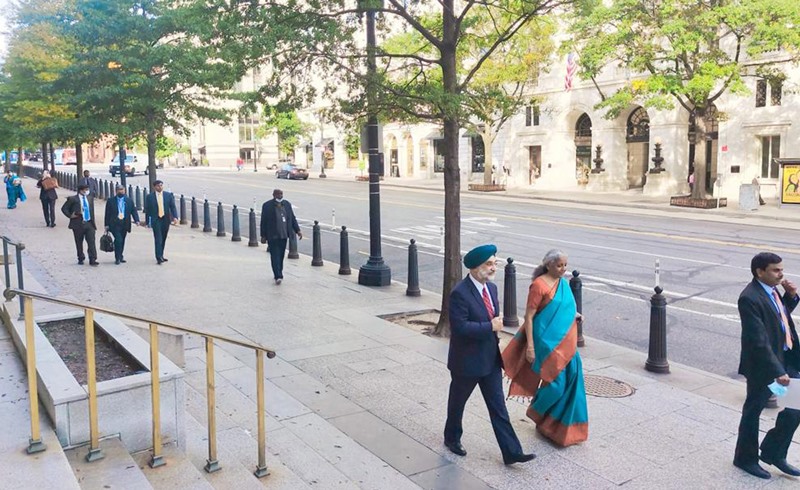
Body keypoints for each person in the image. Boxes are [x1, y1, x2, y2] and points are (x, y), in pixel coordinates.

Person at [443, 244, 535, 465]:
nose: (494, 268)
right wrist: (490, 326)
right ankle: (451, 438)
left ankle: (512, 452)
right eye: (489, 264)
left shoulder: (491, 289)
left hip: (490, 360)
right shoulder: (459, 293)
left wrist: (494, 328)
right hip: (466, 362)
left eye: (495, 263)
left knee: (498, 408)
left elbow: (491, 317)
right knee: (457, 404)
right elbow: (460, 328)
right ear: (476, 267)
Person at [502, 249, 588, 447]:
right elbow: (529, 317)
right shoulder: (539, 285)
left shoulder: (562, 284)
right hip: (546, 342)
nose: (563, 269)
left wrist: (575, 315)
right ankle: (537, 411)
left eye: (565, 265)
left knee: (572, 381)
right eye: (559, 265)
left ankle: (558, 428)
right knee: (556, 385)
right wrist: (530, 347)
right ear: (548, 265)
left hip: (567, 340)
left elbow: (564, 308)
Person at [733, 252, 800, 479]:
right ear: (759, 272)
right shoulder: (749, 298)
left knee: (795, 408)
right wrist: (777, 371)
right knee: (753, 411)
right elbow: (758, 340)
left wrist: (791, 296)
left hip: (785, 360)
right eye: (775, 270)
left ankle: (773, 452)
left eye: (781, 269)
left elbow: (777, 318)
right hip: (764, 367)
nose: (781, 274)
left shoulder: (772, 290)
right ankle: (745, 459)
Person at [260, 189, 302, 284]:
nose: (280, 196)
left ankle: (279, 271)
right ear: (273, 195)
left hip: (284, 235)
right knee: (275, 255)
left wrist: (298, 230)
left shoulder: (287, 204)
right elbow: (263, 221)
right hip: (272, 235)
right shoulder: (267, 206)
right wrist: (263, 235)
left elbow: (292, 218)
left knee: (281, 255)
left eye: (281, 194)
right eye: (278, 194)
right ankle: (278, 275)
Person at [60, 184, 98, 266]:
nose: (86, 191)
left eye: (87, 189)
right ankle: (80, 257)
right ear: (80, 190)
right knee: (79, 242)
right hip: (78, 224)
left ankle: (93, 258)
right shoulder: (73, 199)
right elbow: (64, 208)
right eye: (85, 189)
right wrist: (70, 215)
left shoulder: (90, 198)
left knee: (91, 241)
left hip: (89, 223)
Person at [144, 180, 178, 265]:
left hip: (165, 219)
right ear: (154, 187)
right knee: (158, 238)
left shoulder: (168, 195)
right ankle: (158, 257)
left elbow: (172, 207)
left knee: (163, 238)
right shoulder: (150, 197)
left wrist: (175, 217)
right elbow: (147, 210)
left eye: (161, 185)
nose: (160, 187)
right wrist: (147, 222)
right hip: (156, 220)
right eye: (158, 186)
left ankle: (161, 254)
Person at [104, 184, 140, 265]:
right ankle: (117, 258)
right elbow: (107, 213)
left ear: (124, 191)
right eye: (119, 190)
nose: (121, 191)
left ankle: (120, 256)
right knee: (118, 240)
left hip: (125, 223)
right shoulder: (111, 201)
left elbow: (133, 211)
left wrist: (137, 220)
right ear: (116, 191)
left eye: (122, 190)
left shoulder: (129, 201)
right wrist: (106, 225)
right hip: (114, 224)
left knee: (122, 240)